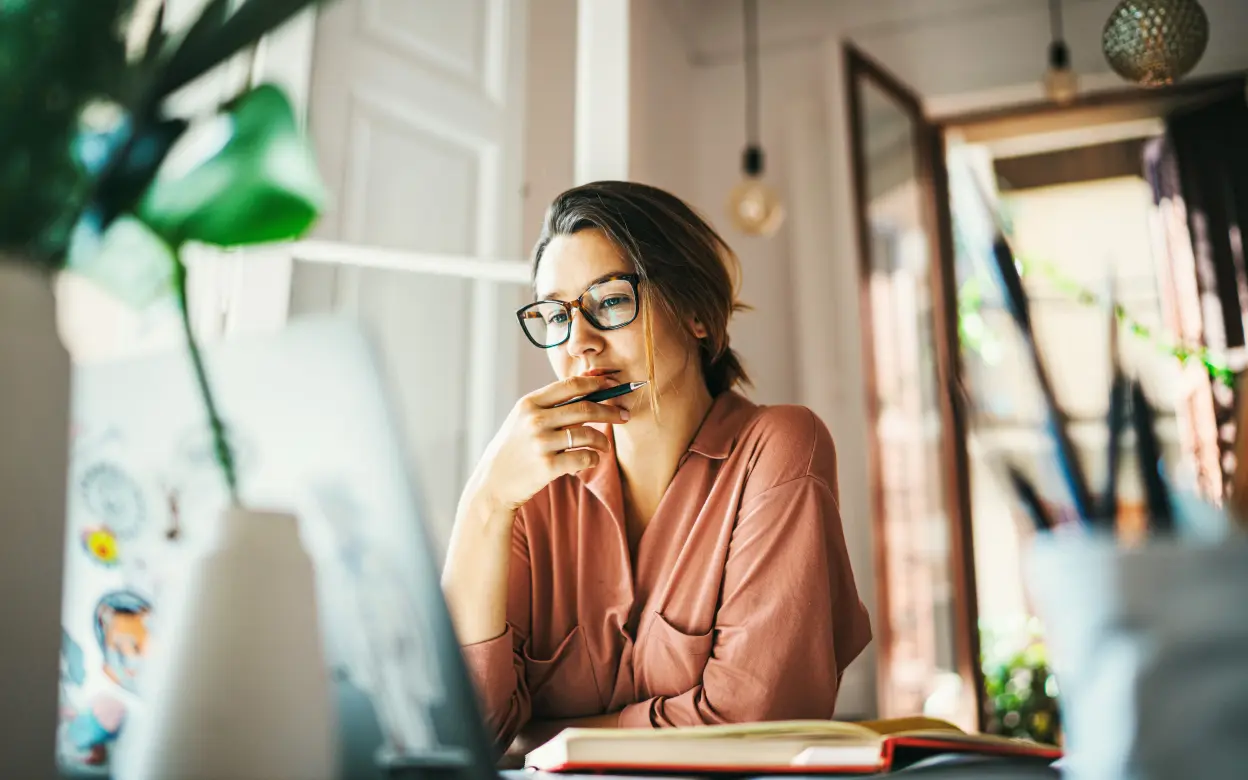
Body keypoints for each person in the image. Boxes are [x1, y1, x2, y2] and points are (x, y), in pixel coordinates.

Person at [441, 181, 871, 753]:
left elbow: (752, 722)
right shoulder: (529, 488)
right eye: (555, 315)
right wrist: (485, 502)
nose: (580, 345)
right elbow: (466, 733)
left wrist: (543, 737)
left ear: (695, 311)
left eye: (611, 300)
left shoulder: (779, 447)